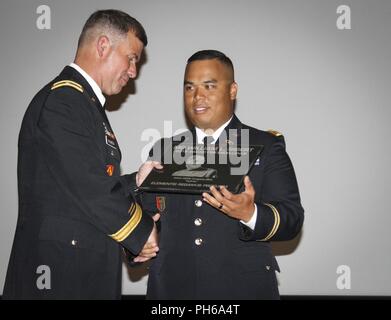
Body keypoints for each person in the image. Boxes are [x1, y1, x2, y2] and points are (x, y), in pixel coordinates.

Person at [3, 9, 160, 299]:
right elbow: (91, 188)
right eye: (131, 58)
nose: (133, 71)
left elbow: (81, 184)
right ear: (103, 46)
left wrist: (136, 182)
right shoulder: (64, 101)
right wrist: (141, 231)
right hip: (58, 277)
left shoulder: (83, 104)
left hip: (78, 272)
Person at [142, 50, 304, 299]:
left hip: (241, 289)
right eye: (189, 87)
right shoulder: (164, 150)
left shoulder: (265, 145)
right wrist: (138, 244)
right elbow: (147, 215)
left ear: (232, 91)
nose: (197, 97)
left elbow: (292, 218)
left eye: (209, 86)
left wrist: (250, 214)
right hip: (172, 290)